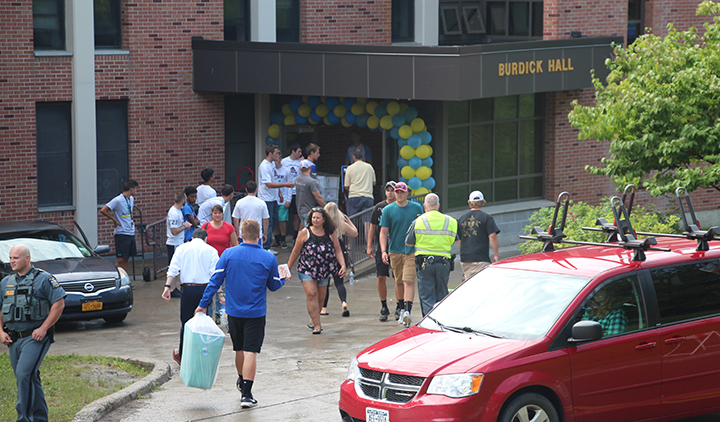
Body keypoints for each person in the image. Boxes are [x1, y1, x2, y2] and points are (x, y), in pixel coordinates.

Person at [196, 219, 286, 409]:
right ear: (260, 234)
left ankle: (241, 379)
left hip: (233, 311)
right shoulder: (268, 258)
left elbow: (215, 281)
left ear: (240, 234)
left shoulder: (228, 254)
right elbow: (273, 285)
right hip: (256, 312)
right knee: (251, 351)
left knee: (239, 349)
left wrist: (203, 304)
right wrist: (284, 278)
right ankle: (246, 394)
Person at [0, 245, 66, 422]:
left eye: (16, 258)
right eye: (10, 258)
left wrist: (44, 328)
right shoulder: (6, 282)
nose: (12, 261)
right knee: (29, 377)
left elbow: (59, 304)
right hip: (14, 339)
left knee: (23, 375)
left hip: (35, 338)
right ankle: (40, 418)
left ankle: (24, 418)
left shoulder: (44, 279)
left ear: (27, 258)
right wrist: (0, 332)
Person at [162, 228, 219, 365]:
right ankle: (203, 355)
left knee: (186, 324)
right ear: (206, 239)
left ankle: (183, 356)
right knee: (203, 324)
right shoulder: (211, 250)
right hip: (205, 290)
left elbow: (173, 269)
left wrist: (167, 287)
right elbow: (215, 275)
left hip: (187, 289)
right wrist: (220, 294)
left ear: (192, 238)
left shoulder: (182, 248)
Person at [286, 207, 347, 334]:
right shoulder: (305, 232)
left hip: (324, 269)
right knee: (312, 294)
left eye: (318, 217)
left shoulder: (330, 233)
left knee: (320, 298)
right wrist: (288, 267)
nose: (315, 220)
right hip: (306, 268)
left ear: (324, 219)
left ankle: (313, 319)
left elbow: (338, 250)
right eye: (313, 217)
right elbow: (296, 250)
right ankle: (317, 325)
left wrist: (342, 265)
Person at [405, 193, 459, 317]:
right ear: (438, 205)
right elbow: (454, 240)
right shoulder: (450, 221)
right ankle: (442, 322)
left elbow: (408, 243)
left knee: (427, 297)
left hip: (425, 264)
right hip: (444, 263)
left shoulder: (418, 221)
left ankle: (430, 325)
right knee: (442, 295)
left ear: (424, 206)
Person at [379, 182, 424, 328]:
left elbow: (422, 226)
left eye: (401, 192)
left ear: (407, 193)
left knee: (408, 280)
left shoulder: (416, 208)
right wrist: (383, 251)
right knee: (398, 281)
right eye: (397, 192)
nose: (398, 194)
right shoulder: (388, 210)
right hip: (395, 250)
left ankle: (407, 310)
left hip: (411, 250)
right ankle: (400, 306)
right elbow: (384, 232)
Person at [367, 181, 401, 322]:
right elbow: (372, 227)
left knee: (397, 277)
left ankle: (400, 305)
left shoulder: (400, 207)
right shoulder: (379, 207)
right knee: (381, 276)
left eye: (392, 190)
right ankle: (384, 306)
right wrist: (369, 245)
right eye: (388, 190)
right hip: (382, 247)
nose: (390, 193)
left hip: (397, 246)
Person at [202, 204, 240, 322]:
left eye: (219, 213)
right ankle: (207, 318)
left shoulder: (229, 227)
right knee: (208, 290)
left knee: (222, 292)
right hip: (208, 264)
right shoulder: (205, 226)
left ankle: (219, 318)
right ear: (211, 214)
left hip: (224, 264)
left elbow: (235, 246)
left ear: (223, 214)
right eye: (215, 213)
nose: (217, 215)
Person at [320, 202, 358, 317]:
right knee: (339, 282)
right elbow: (355, 233)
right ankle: (344, 302)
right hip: (338, 253)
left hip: (325, 253)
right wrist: (348, 220)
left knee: (325, 283)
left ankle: (324, 308)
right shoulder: (341, 224)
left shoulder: (323, 224)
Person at [258, 144, 294, 254]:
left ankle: (267, 244)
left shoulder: (272, 164)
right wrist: (285, 185)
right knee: (268, 222)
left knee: (274, 220)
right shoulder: (264, 166)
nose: (278, 155)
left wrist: (279, 193)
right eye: (276, 153)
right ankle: (265, 246)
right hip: (266, 198)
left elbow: (274, 180)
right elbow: (268, 184)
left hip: (273, 197)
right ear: (270, 154)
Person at [457, 190, 500, 281]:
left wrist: (464, 251)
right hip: (481, 258)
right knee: (480, 285)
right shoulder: (487, 218)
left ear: (469, 202)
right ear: (482, 202)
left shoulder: (461, 218)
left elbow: (458, 239)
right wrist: (496, 254)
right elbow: (492, 236)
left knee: (468, 285)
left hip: (465, 259)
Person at [100, 179, 139, 271]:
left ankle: (125, 278)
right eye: (136, 189)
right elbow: (103, 210)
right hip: (121, 233)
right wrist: (114, 220)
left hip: (130, 231)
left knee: (126, 258)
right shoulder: (118, 200)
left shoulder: (131, 199)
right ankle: (116, 276)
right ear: (131, 189)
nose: (136, 191)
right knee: (120, 258)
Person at [232, 181, 270, 249]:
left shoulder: (239, 202)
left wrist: (237, 234)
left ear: (246, 190)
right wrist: (265, 233)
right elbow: (266, 220)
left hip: (243, 233)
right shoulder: (262, 203)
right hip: (257, 234)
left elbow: (235, 220)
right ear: (256, 189)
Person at [281, 143, 304, 242]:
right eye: (298, 151)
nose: (300, 153)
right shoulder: (284, 161)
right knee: (282, 215)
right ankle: (282, 237)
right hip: (286, 191)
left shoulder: (301, 162)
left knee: (296, 215)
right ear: (293, 151)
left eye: (301, 152)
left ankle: (295, 235)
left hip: (297, 191)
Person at [344, 147, 376, 217]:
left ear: (353, 157)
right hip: (368, 196)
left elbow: (346, 186)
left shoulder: (349, 168)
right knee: (367, 220)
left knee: (352, 219)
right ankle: (367, 228)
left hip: (353, 196)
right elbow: (374, 182)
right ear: (362, 156)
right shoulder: (369, 167)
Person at [295, 160, 325, 225]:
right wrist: (326, 207)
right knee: (311, 232)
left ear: (300, 169)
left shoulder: (297, 179)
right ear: (310, 167)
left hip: (300, 210)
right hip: (309, 211)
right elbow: (318, 197)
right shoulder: (311, 181)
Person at [272, 152, 292, 249]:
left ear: (280, 159)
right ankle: (276, 239)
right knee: (274, 220)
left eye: (277, 160)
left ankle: (283, 238)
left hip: (284, 199)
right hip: (274, 198)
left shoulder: (286, 171)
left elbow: (289, 186)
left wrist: (289, 199)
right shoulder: (271, 170)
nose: (275, 162)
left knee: (282, 220)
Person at [166, 191, 192, 262]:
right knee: (175, 266)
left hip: (178, 242)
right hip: (174, 243)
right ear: (183, 200)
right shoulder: (174, 213)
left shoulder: (178, 210)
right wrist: (184, 226)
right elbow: (174, 231)